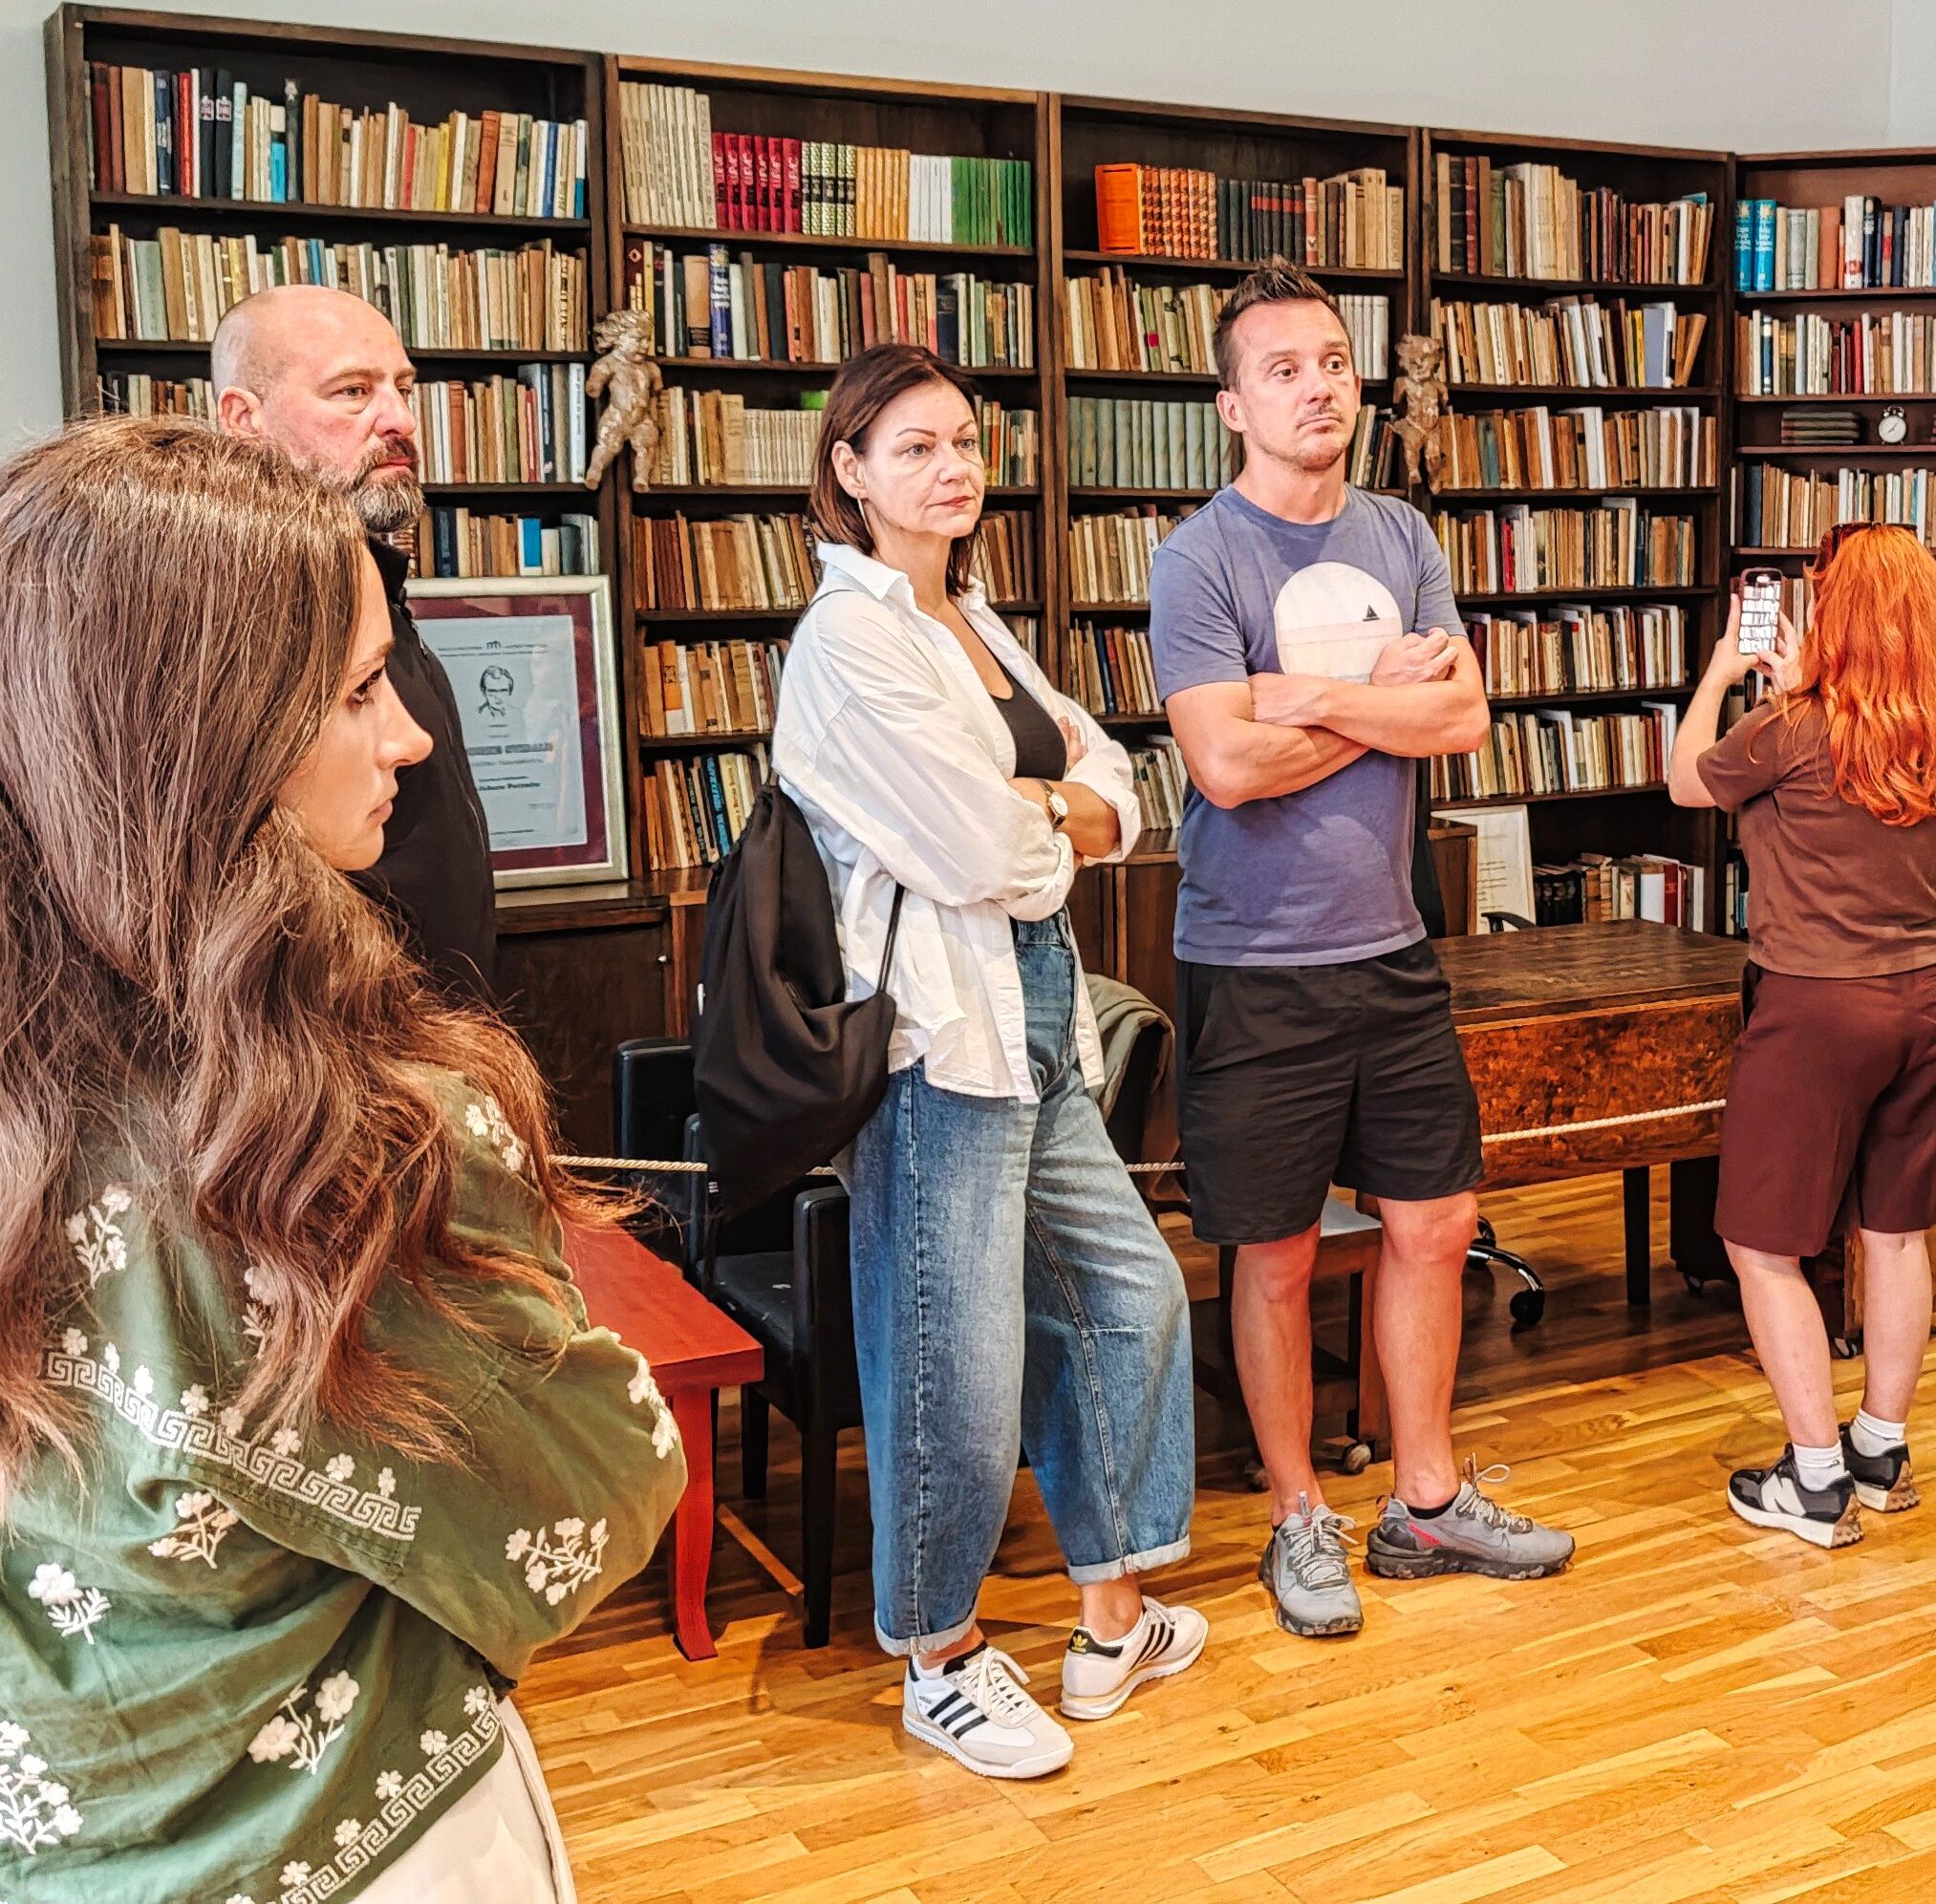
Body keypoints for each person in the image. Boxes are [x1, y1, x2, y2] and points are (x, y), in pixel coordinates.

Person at [0, 417, 681, 1904]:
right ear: (211, 731)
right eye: (362, 690)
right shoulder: (349, 1145)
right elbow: (594, 1494)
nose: (412, 739)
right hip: (365, 1828)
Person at [771, 344, 1201, 1780]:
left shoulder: (974, 620)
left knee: (1127, 1293)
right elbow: (980, 850)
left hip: (1040, 1017)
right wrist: (1053, 814)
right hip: (936, 1040)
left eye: (963, 442)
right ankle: (939, 1659)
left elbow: (1120, 781)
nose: (950, 468)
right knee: (950, 1360)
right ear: (849, 470)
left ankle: (1112, 1616)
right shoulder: (848, 641)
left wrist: (1052, 805)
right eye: (913, 447)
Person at [1150, 261, 1574, 1640]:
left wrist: (1300, 698)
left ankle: (1426, 1500)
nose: (1318, 387)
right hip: (1252, 957)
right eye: (1283, 369)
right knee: (1273, 1253)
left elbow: (1461, 721)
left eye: (1333, 361)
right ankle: (1297, 1514)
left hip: (1391, 945)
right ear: (1233, 405)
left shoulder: (1401, 534)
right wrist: (1369, 699)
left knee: (1435, 1223)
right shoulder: (1199, 558)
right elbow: (1221, 767)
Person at [1665, 524, 1936, 1549]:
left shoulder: (1789, 726)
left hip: (1817, 1006)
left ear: (1833, 611)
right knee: (1894, 1231)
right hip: (1931, 997)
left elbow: (1684, 780)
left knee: (1761, 1246)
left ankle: (1811, 1478)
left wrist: (1725, 670)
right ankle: (1879, 1450)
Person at [214, 283, 497, 1000]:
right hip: (344, 1041)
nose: (400, 418)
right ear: (244, 419)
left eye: (404, 387)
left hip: (442, 1029)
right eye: (352, 391)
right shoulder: (232, 625)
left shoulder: (373, 576)